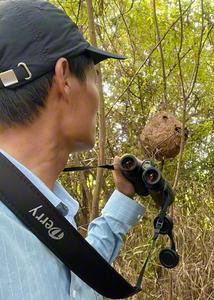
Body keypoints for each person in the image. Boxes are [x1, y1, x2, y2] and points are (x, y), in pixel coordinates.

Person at [0, 0, 145, 299]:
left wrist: (122, 197)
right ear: (64, 77)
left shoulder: (40, 214)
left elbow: (78, 283)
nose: (96, 95)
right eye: (94, 76)